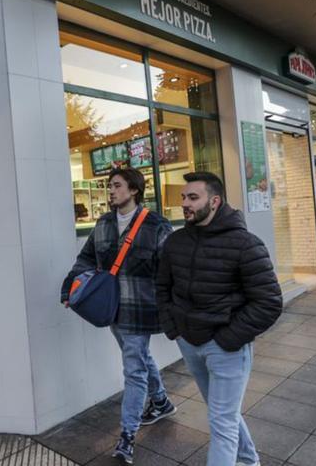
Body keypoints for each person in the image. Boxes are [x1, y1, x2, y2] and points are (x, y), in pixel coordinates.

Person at [156, 172, 282, 466]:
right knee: (221, 410)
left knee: (221, 421)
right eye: (183, 198)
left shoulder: (245, 244)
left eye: (193, 197)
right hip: (189, 342)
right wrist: (174, 328)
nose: (184, 204)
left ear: (214, 201)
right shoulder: (176, 242)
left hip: (226, 348)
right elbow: (162, 287)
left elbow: (269, 302)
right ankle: (249, 459)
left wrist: (228, 339)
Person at [61, 167, 177, 465]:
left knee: (134, 370)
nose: (110, 191)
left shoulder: (157, 225)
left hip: (139, 310)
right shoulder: (103, 224)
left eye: (116, 186)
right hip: (111, 308)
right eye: (109, 186)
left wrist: (174, 306)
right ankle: (161, 401)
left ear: (133, 190)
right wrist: (69, 288)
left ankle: (127, 436)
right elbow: (86, 258)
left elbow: (171, 271)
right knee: (138, 356)